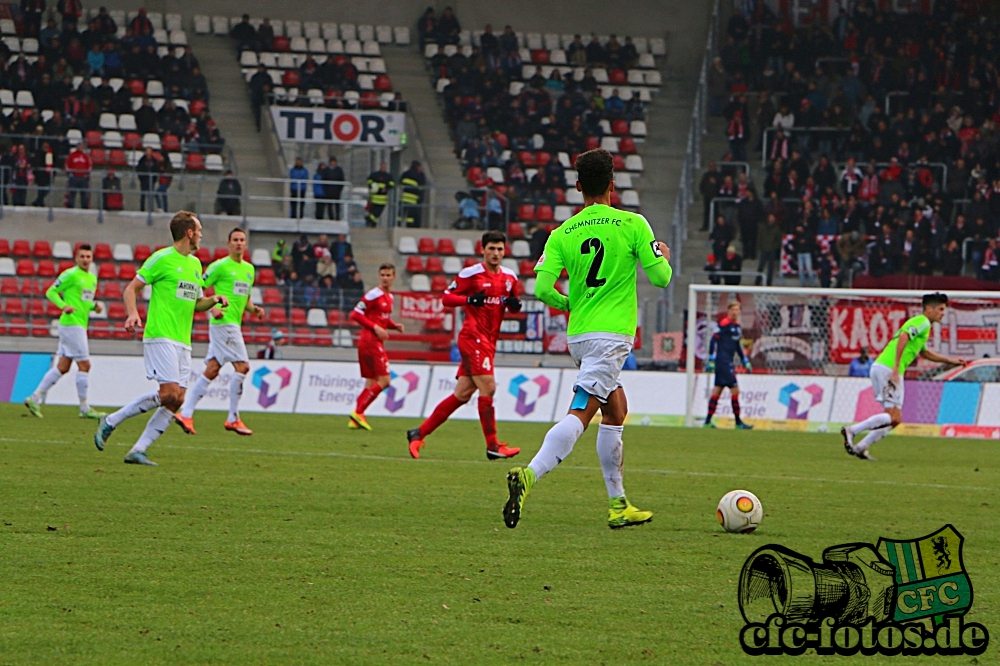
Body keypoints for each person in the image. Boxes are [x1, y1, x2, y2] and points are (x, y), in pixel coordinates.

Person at [503, 148, 672, 530]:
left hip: (579, 335)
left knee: (615, 411)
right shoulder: (633, 224)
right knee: (582, 412)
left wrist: (572, 304)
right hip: (610, 338)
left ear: (578, 186)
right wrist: (663, 254)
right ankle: (529, 474)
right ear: (612, 185)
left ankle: (618, 505)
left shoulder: (561, 233)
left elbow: (543, 289)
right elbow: (661, 279)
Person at [94, 211, 229, 466]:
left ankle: (138, 449)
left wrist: (214, 300)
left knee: (177, 399)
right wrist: (133, 313)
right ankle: (111, 420)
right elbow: (130, 289)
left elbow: (197, 303)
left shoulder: (196, 264)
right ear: (189, 233)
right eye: (199, 229)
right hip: (160, 335)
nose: (201, 234)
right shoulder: (161, 259)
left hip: (182, 341)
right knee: (169, 394)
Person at [407, 231, 522, 461]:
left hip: (489, 341)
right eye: (491, 249)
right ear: (483, 250)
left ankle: (418, 433)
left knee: (462, 393)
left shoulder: (510, 277)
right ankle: (492, 446)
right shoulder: (472, 274)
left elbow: (514, 305)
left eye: (500, 249)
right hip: (472, 337)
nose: (496, 253)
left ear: (504, 251)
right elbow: (446, 297)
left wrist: (514, 305)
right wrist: (468, 299)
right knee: (488, 388)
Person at [841, 293, 967, 461]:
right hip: (889, 368)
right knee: (895, 417)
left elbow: (924, 352)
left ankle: (862, 446)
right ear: (929, 309)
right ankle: (853, 430)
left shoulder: (924, 326)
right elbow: (904, 336)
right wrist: (895, 367)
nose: (943, 313)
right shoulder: (921, 321)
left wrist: (950, 360)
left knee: (894, 419)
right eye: (940, 309)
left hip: (881, 367)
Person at [175, 228, 265, 437]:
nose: (239, 243)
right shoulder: (220, 266)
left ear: (246, 243)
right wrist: (212, 308)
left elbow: (245, 298)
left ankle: (186, 413)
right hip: (224, 323)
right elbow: (199, 287)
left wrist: (255, 310)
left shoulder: (249, 270)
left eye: (242, 240)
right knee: (242, 367)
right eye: (235, 240)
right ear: (228, 243)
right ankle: (233, 418)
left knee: (213, 369)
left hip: (232, 324)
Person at [24, 244, 105, 420]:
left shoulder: (92, 278)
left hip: (79, 324)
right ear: (76, 258)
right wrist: (63, 306)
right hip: (71, 325)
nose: (85, 259)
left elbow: (84, 300)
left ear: (92, 259)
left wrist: (94, 306)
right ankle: (84, 408)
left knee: (63, 366)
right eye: (82, 256)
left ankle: (35, 397)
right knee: (85, 365)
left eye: (88, 257)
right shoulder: (70, 274)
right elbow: (51, 291)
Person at [346, 264, 404, 430]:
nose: (385, 278)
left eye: (388, 275)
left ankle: (355, 419)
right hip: (370, 342)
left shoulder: (389, 297)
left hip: (372, 342)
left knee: (371, 383)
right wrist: (376, 328)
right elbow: (355, 314)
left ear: (394, 277)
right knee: (385, 380)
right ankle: (359, 411)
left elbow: (382, 319)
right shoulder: (373, 294)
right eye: (382, 275)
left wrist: (394, 326)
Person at [703, 301, 753, 429]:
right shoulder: (724, 324)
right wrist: (711, 359)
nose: (735, 312)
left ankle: (707, 422)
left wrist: (745, 361)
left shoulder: (737, 327)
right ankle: (738, 423)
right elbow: (713, 340)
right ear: (729, 311)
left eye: (737, 310)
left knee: (717, 391)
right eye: (733, 309)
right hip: (723, 362)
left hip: (727, 362)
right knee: (735, 391)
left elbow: (737, 346)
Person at [365, 162, 393, 227]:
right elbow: (369, 181)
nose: (384, 168)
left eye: (385, 167)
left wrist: (386, 188)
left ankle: (369, 219)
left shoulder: (388, 176)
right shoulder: (374, 175)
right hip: (374, 198)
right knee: (374, 214)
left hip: (382, 199)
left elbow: (392, 184)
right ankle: (372, 224)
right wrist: (372, 186)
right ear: (380, 166)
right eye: (382, 166)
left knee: (377, 214)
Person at [399, 160, 426, 228]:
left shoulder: (405, 174)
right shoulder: (419, 175)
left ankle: (398, 225)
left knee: (400, 215)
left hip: (404, 198)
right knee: (411, 216)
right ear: (417, 167)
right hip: (413, 199)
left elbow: (400, 183)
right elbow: (421, 188)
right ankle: (409, 227)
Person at [64, 144, 92, 208]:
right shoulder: (71, 155)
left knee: (84, 194)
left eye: (82, 147)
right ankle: (70, 208)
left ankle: (84, 208)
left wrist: (87, 174)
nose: (81, 148)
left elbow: (89, 166)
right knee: (72, 194)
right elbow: (67, 165)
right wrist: (71, 174)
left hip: (83, 178)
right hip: (74, 177)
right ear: (77, 147)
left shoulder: (86, 156)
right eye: (80, 146)